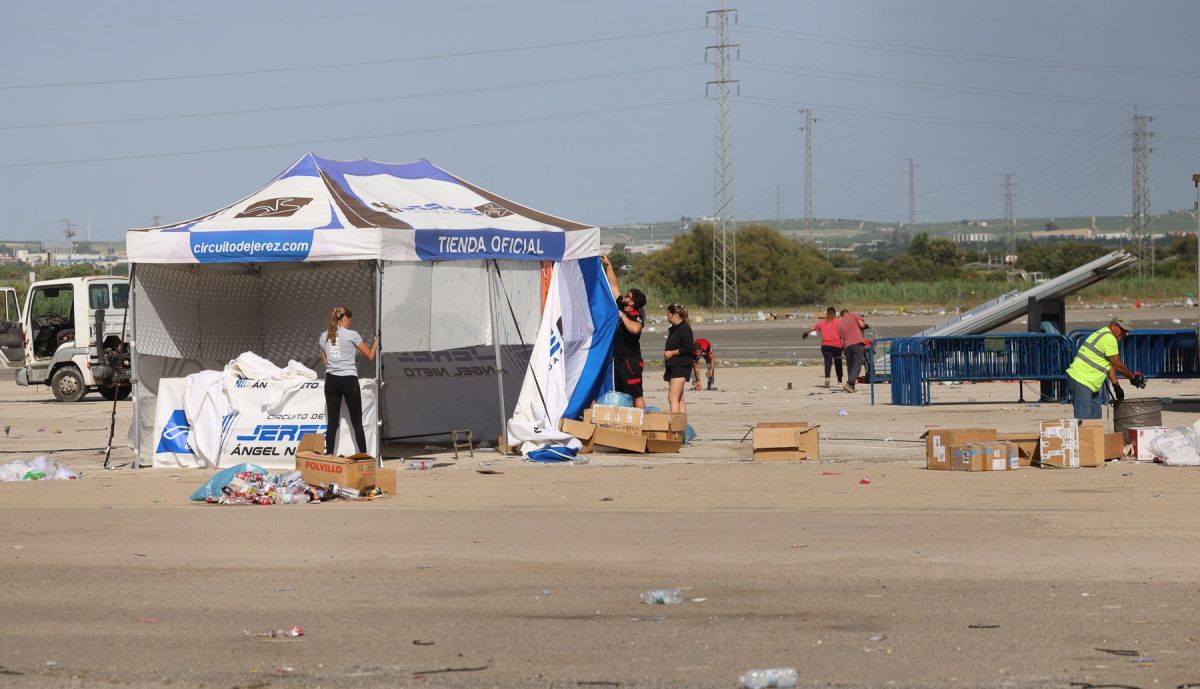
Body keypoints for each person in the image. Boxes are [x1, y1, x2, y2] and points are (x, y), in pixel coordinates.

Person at [318, 306, 378, 456]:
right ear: (344, 319)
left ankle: (329, 456)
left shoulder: (323, 336)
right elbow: (370, 356)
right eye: (349, 321)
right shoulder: (352, 334)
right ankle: (363, 455)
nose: (349, 324)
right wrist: (377, 341)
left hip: (331, 380)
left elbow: (325, 364)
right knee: (357, 422)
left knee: (332, 424)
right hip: (348, 380)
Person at [1066, 315, 1146, 420]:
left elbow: (1109, 365)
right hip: (1081, 380)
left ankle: (1093, 436)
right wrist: (1132, 378)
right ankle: (1083, 436)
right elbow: (1118, 365)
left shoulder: (1104, 334)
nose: (1125, 334)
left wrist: (1116, 385)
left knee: (1095, 419)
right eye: (1123, 330)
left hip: (1088, 383)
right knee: (1084, 421)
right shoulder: (1109, 338)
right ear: (1114, 325)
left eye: (1126, 331)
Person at [600, 255, 647, 408]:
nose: (625, 296)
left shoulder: (636, 316)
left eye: (628, 296)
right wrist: (609, 266)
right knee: (620, 393)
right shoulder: (622, 305)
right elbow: (614, 287)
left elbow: (635, 329)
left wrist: (622, 316)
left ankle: (642, 422)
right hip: (617, 360)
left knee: (635, 394)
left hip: (630, 361)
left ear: (632, 303)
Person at [663, 303, 695, 414]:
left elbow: (689, 348)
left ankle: (675, 427)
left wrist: (672, 353)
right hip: (673, 366)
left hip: (681, 367)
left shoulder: (684, 329)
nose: (667, 317)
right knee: (679, 399)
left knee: (672, 398)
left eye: (668, 315)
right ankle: (681, 428)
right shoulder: (674, 329)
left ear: (675, 315)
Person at [803, 307, 844, 388]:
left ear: (826, 314)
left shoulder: (822, 323)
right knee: (838, 363)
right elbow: (844, 331)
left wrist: (805, 332)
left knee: (828, 362)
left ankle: (827, 378)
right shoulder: (839, 322)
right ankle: (839, 382)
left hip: (825, 346)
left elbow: (813, 328)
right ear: (835, 314)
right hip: (837, 346)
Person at [837, 308, 867, 393]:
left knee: (850, 367)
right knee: (857, 366)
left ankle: (851, 386)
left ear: (841, 315)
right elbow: (862, 325)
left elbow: (841, 339)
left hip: (847, 346)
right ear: (848, 312)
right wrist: (865, 325)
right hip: (857, 343)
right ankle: (850, 383)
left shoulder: (839, 323)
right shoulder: (854, 315)